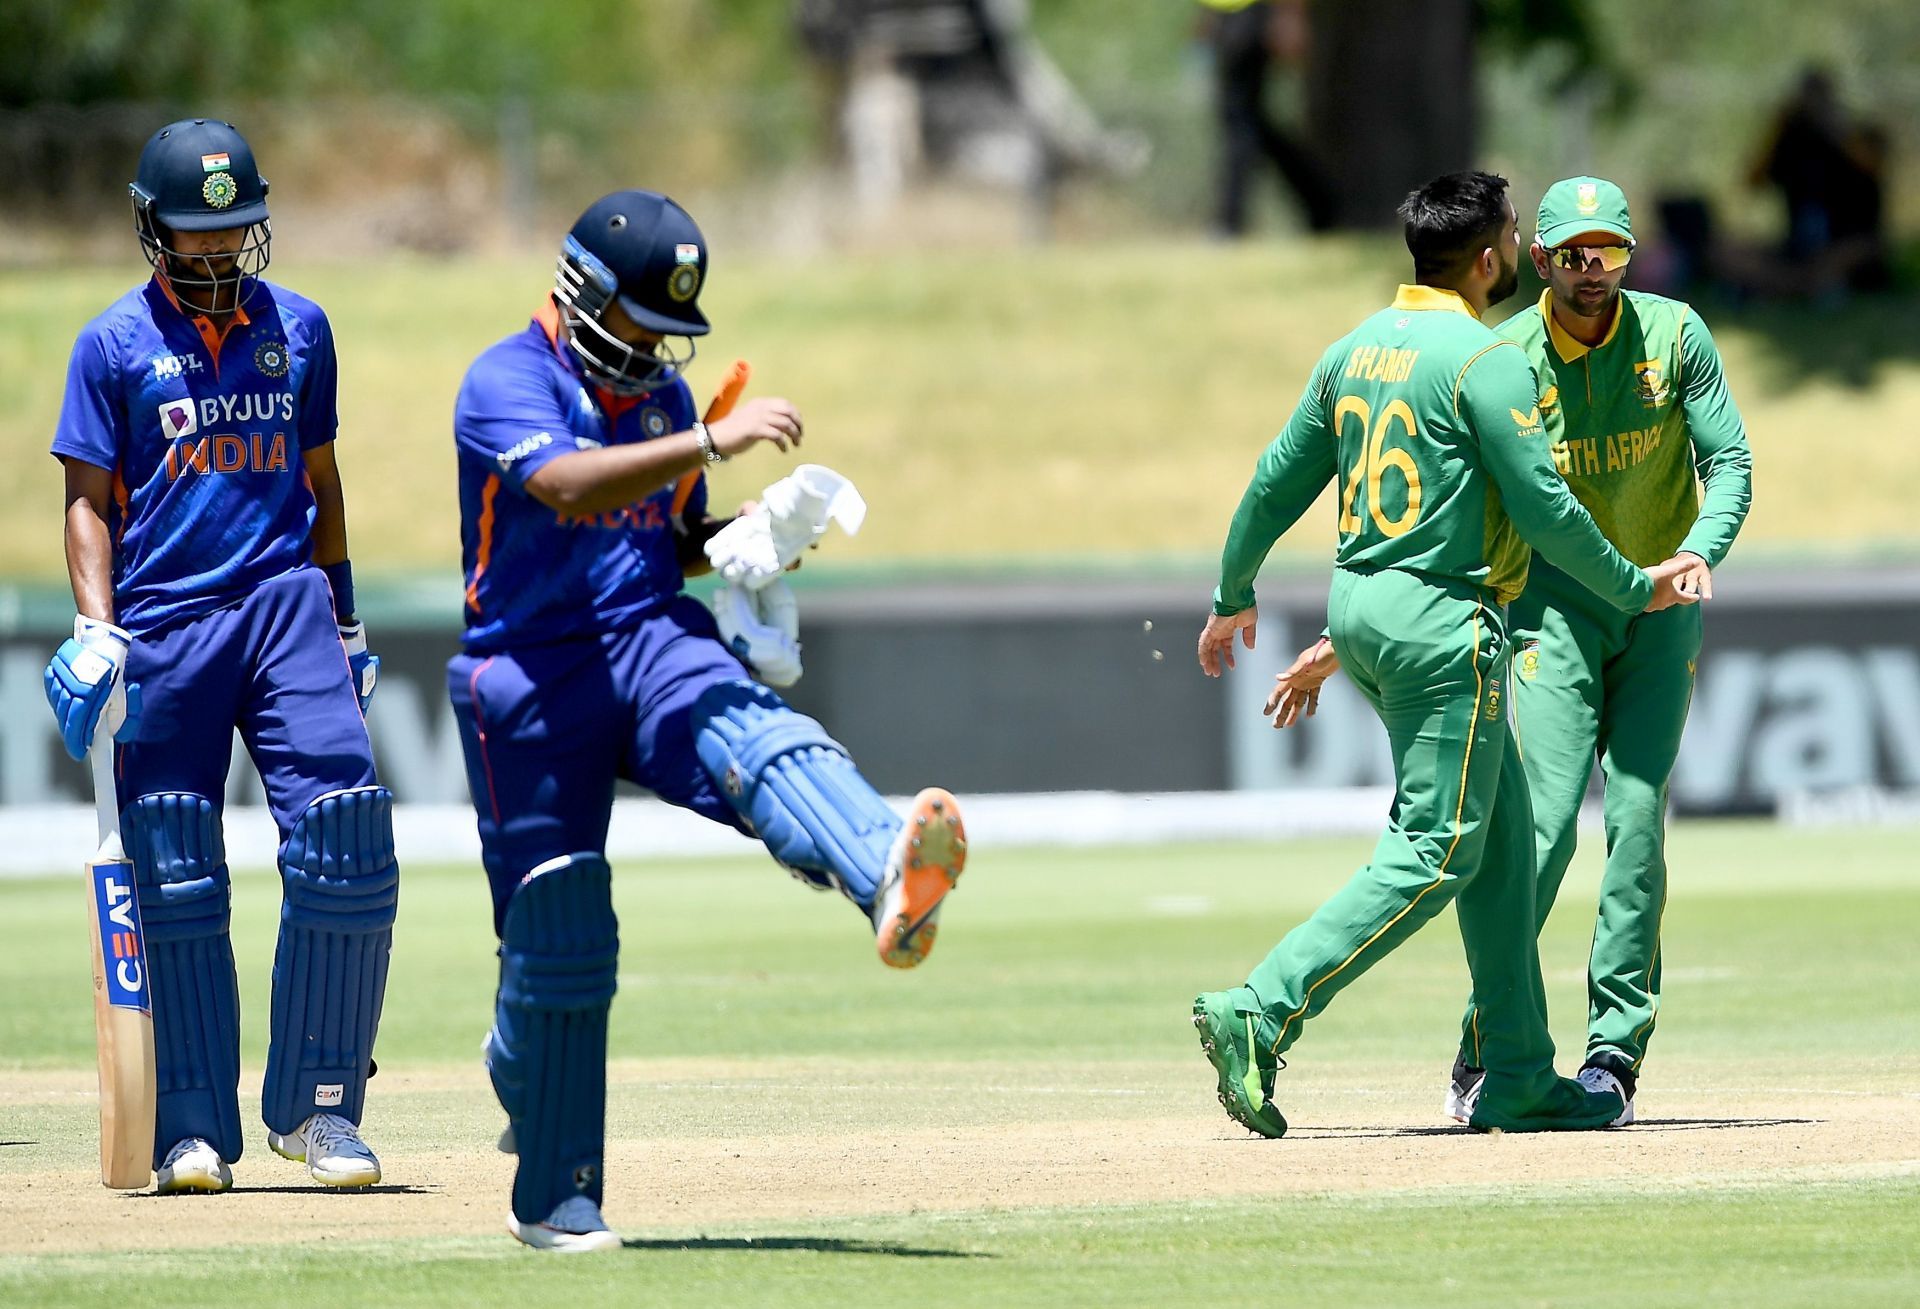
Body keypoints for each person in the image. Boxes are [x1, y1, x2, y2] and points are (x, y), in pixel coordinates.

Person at [446, 189, 967, 1251]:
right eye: (641, 321)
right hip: (528, 674)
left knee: (751, 725)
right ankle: (553, 1179)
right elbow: (568, 486)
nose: (655, 350)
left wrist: (749, 538)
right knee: (555, 934)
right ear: (582, 292)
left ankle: (884, 869)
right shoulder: (504, 379)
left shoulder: (664, 398)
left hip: (647, 636)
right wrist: (716, 442)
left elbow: (663, 533)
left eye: (671, 332)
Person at [1189, 170, 1701, 1139]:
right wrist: (1635, 587)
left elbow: (1274, 478)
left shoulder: (1356, 349)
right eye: (1515, 235)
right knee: (1440, 849)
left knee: (1506, 854)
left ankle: (1516, 1074)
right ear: (1492, 255)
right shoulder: (1481, 358)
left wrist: (1232, 594)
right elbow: (1548, 512)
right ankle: (1260, 1008)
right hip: (1446, 623)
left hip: (1362, 608)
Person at [44, 119, 392, 1194]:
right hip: (164, 620)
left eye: (236, 229)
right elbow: (87, 505)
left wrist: (343, 617)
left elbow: (322, 483)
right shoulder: (110, 347)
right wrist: (98, 629)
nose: (218, 251)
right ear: (153, 232)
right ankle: (191, 1124)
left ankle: (319, 1112)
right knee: (178, 869)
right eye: (196, 234)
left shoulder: (304, 328)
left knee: (345, 833)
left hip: (286, 604)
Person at [1197, 0, 1335, 236]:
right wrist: (1209, 14)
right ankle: (1321, 201)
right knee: (1248, 121)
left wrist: (1290, 17)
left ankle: (1229, 222)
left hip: (1257, 15)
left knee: (1239, 120)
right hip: (1230, 16)